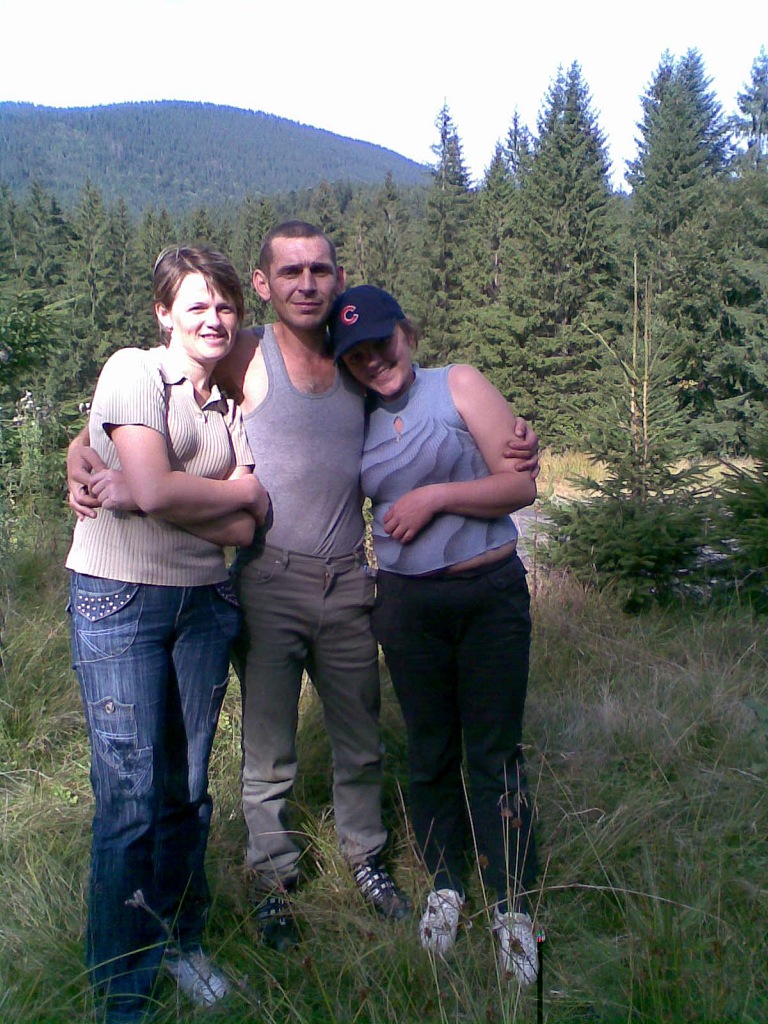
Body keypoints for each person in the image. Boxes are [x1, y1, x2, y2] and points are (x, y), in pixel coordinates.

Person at [68, 222, 541, 953]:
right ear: (263, 284)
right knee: (268, 752)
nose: (306, 282)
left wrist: (518, 441)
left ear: (338, 277)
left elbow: (425, 411)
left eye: (320, 269)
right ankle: (273, 879)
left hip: (349, 577)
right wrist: (82, 448)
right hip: (267, 578)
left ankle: (367, 858)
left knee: (361, 739)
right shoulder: (245, 350)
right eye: (289, 271)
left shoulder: (356, 359)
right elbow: (157, 392)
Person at [66, 246, 269, 1022]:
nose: (214, 319)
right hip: (119, 599)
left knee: (186, 793)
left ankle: (181, 942)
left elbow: (248, 519)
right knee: (130, 799)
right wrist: (211, 494)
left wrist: (162, 493)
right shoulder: (135, 372)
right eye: (197, 306)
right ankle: (122, 988)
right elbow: (156, 489)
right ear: (164, 314)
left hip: (203, 605)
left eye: (225, 306)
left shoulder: (228, 406)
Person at [328, 285, 541, 986]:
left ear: (406, 333)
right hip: (406, 604)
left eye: (381, 343)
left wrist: (435, 497)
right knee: (429, 749)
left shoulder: (459, 384)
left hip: (488, 597)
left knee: (494, 750)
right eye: (355, 355)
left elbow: (520, 485)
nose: (372, 360)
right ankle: (446, 885)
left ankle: (511, 900)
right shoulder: (352, 416)